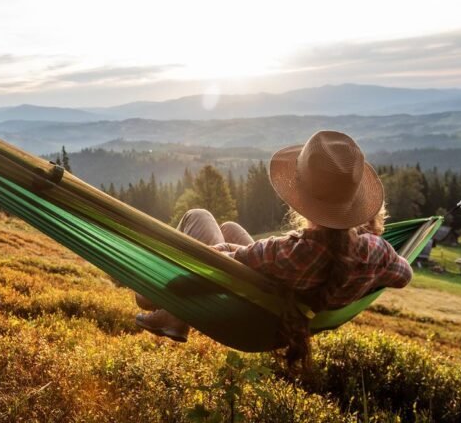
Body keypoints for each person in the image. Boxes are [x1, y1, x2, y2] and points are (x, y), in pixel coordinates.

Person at [134, 130, 413, 366]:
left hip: (252, 315)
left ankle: (174, 313)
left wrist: (158, 284)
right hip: (283, 308)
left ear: (300, 197)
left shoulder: (286, 254)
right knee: (229, 227)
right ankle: (173, 317)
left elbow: (216, 263)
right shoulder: (376, 252)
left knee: (199, 216)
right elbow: (404, 276)